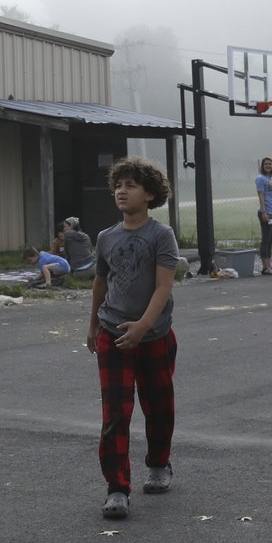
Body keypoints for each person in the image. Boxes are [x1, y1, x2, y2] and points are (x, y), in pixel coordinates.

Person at [86, 156, 179, 521]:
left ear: (150, 194)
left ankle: (159, 463)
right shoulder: (106, 238)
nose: (122, 191)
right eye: (118, 186)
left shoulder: (161, 235)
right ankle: (116, 488)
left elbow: (163, 286)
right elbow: (99, 283)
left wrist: (142, 326)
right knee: (116, 412)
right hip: (112, 334)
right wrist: (93, 325)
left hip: (153, 335)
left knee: (158, 406)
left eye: (131, 185)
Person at [255, 157, 272, 275]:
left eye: (270, 164)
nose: (268, 166)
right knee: (265, 240)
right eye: (266, 164)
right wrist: (264, 212)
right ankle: (265, 267)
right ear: (262, 166)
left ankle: (270, 265)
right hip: (266, 213)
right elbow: (261, 196)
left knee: (270, 240)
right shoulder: (260, 179)